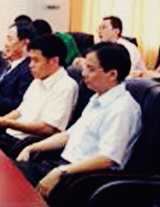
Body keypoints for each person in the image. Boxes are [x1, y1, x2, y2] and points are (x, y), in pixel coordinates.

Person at [16, 42, 141, 198]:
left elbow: (107, 159)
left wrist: (60, 172)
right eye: (85, 67)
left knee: (15, 183)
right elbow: (68, 135)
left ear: (112, 74)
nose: (84, 73)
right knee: (11, 170)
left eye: (91, 69)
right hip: (64, 168)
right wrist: (32, 147)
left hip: (83, 179)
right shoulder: (97, 98)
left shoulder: (122, 109)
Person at [0, 35, 78, 158]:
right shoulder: (38, 80)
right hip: (8, 135)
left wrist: (7, 123)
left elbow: (48, 128)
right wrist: (0, 120)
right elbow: (20, 111)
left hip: (24, 143)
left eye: (36, 60)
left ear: (54, 61)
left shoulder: (66, 86)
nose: (30, 65)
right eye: (30, 60)